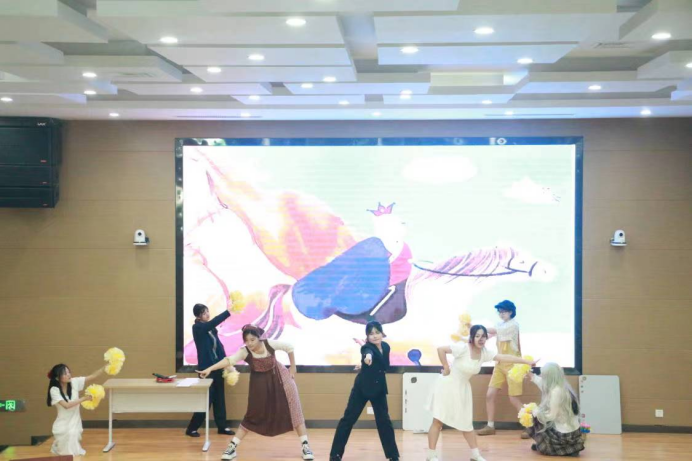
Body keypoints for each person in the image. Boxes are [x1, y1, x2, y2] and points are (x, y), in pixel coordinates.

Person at [198, 325, 314, 461]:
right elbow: (229, 360)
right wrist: (209, 369)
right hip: (260, 385)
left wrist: (293, 367)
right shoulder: (245, 351)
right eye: (246, 340)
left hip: (282, 379)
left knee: (295, 410)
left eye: (252, 340)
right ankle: (232, 448)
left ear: (259, 338)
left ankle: (306, 446)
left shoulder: (269, 344)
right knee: (252, 414)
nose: (249, 343)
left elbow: (289, 347)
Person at [426, 325, 538, 462]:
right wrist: (446, 367)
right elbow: (441, 349)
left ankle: (475, 455)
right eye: (477, 336)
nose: (480, 339)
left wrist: (526, 361)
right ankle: (431, 455)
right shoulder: (463, 348)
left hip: (463, 389)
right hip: (447, 385)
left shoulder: (485, 353)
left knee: (466, 423)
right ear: (472, 337)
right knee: (438, 421)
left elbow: (505, 357)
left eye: (483, 336)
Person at [330, 321, 400, 462]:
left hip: (379, 388)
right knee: (348, 419)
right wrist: (367, 359)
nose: (374, 336)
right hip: (362, 389)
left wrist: (365, 365)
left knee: (384, 421)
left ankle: (393, 455)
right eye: (371, 334)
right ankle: (335, 454)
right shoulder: (366, 348)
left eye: (377, 332)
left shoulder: (386, 347)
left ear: (382, 333)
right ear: (367, 336)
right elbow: (368, 353)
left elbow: (385, 366)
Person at [478, 300, 530, 439]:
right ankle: (490, 426)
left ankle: (530, 426)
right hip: (500, 364)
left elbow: (495, 331)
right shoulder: (500, 325)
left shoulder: (513, 325)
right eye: (500, 312)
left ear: (511, 312)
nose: (501, 314)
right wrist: (475, 336)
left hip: (514, 366)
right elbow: (489, 335)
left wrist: (475, 327)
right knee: (490, 395)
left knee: (514, 399)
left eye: (504, 311)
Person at [186, 303, 235, 438]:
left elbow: (219, 347)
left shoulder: (212, 329)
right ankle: (192, 428)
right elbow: (211, 323)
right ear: (198, 316)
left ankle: (222, 427)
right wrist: (228, 312)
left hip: (217, 367)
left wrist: (226, 362)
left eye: (207, 311)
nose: (207, 314)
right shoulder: (197, 327)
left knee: (220, 399)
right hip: (206, 370)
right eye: (204, 312)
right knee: (206, 400)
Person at [526, 363, 585, 457]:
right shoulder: (561, 386)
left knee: (536, 418)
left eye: (543, 375)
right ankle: (570, 448)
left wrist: (535, 412)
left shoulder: (555, 392)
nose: (541, 376)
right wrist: (528, 372)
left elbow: (551, 416)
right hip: (572, 431)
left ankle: (550, 446)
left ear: (549, 377)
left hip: (564, 434)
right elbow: (540, 382)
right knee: (538, 414)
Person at [46, 363, 105, 457]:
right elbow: (66, 405)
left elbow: (93, 376)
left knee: (72, 436)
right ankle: (58, 447)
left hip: (74, 419)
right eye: (65, 373)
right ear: (57, 377)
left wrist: (105, 366)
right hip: (62, 422)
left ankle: (65, 451)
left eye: (69, 372)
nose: (68, 375)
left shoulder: (74, 382)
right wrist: (84, 398)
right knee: (65, 447)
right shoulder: (54, 390)